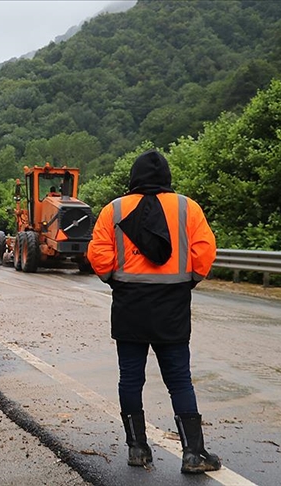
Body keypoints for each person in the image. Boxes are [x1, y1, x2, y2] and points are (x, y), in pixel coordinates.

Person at [87, 149, 220, 474]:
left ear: (133, 178)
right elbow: (205, 253)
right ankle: (193, 454)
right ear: (166, 178)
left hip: (129, 305)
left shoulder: (114, 209)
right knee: (179, 380)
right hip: (172, 307)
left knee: (130, 379)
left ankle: (137, 449)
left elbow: (98, 256)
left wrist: (115, 280)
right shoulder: (187, 208)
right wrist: (186, 282)